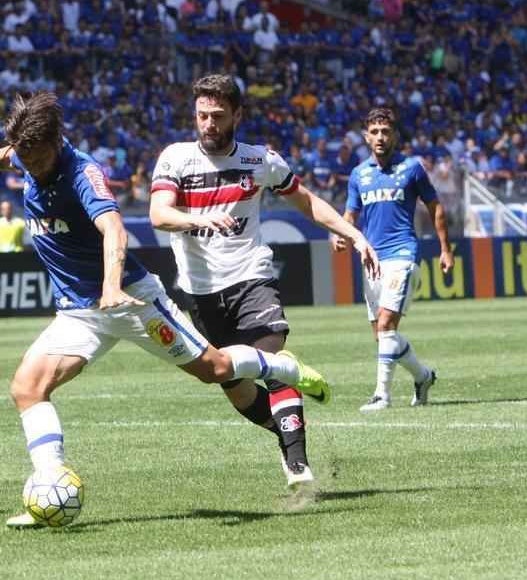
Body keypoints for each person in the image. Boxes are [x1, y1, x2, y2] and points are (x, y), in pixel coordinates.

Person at [0, 92, 332, 529]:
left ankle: (284, 369)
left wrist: (109, 286)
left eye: (34, 156)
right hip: (78, 312)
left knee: (215, 370)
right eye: (22, 155)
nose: (26, 164)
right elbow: (8, 154)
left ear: (55, 143)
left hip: (130, 300)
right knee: (27, 388)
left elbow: (114, 230)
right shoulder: (29, 152)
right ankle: (49, 486)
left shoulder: (82, 173)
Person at [149, 74, 379, 490]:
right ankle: (286, 431)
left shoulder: (260, 161)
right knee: (233, 387)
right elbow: (159, 214)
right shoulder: (175, 159)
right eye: (202, 115)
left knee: (271, 360)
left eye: (218, 116)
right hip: (199, 293)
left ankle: (297, 464)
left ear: (237, 114)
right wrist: (198, 219)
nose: (208, 124)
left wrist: (354, 234)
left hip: (251, 277)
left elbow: (306, 201)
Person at [333, 106, 453, 412]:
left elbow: (435, 206)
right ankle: (423, 377)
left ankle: (382, 396)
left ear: (395, 135)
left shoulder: (411, 167)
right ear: (365, 136)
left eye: (386, 131)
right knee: (382, 337)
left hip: (403, 254)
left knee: (386, 325)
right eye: (374, 132)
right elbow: (350, 213)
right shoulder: (359, 174)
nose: (380, 137)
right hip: (371, 259)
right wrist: (341, 233)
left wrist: (445, 248)